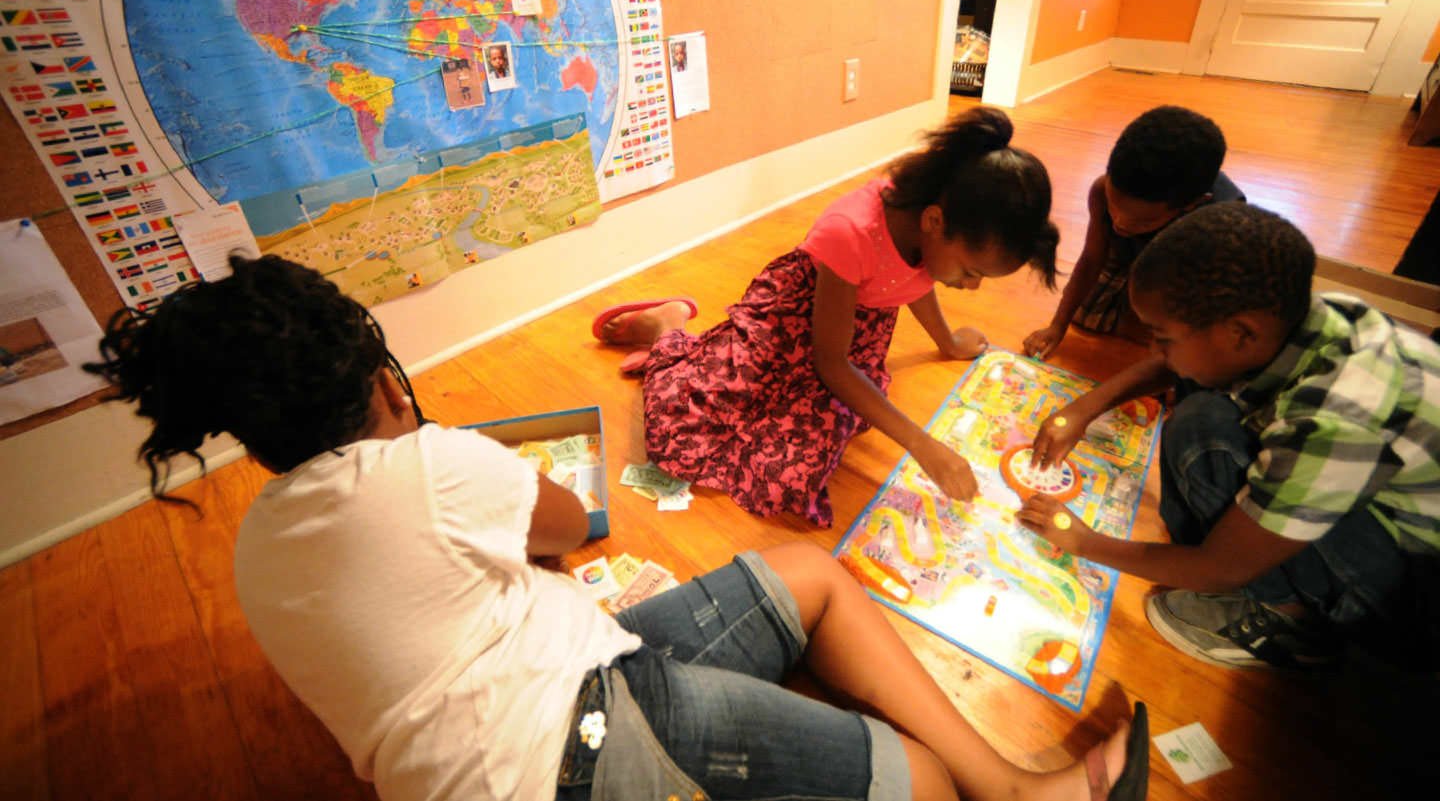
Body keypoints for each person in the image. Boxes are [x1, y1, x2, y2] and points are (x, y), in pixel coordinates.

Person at [84, 254, 1149, 801]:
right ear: (378, 381)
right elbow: (566, 524)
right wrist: (427, 436)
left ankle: (1007, 785)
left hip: (564, 680)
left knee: (805, 575)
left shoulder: (257, 540)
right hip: (568, 756)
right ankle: (1006, 793)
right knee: (914, 780)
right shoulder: (425, 463)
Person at [1018, 203, 1440, 670]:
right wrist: (1086, 407)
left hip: (1414, 592)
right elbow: (1177, 365)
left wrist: (1083, 542)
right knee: (1200, 413)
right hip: (1383, 508)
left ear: (1240, 333)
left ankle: (1293, 623)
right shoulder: (1318, 315)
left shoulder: (1337, 418)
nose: (1152, 349)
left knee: (1203, 433)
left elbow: (1222, 568)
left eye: (1162, 336)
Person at [592, 107, 1060, 527]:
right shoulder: (851, 231)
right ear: (934, 222)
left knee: (801, 457)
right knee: (682, 431)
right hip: (790, 321)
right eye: (970, 271)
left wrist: (947, 342)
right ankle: (667, 327)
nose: (970, 286)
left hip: (850, 334)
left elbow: (912, 282)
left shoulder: (934, 228)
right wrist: (922, 444)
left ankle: (674, 334)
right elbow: (832, 364)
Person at [1022, 106, 1243, 360]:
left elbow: (1203, 304)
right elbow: (1091, 260)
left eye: (1141, 220)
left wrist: (1174, 362)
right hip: (1132, 254)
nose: (1120, 223)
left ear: (1191, 205)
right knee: (1088, 317)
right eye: (1114, 205)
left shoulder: (1218, 226)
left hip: (1185, 272)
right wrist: (1057, 326)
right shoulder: (1101, 189)